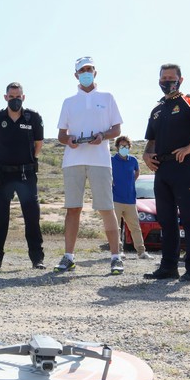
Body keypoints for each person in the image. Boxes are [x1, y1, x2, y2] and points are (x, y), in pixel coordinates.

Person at [141, 63, 190, 283]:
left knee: (189, 220)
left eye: (171, 78)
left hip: (184, 167)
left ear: (180, 80)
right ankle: (168, 267)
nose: (167, 82)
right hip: (162, 170)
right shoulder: (157, 110)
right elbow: (151, 141)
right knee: (166, 221)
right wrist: (146, 155)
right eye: (163, 78)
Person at [55, 56, 125, 275]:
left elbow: (117, 130)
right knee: (73, 209)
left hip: (100, 161)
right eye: (82, 70)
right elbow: (61, 135)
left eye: (89, 69)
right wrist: (69, 140)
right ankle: (68, 257)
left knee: (106, 208)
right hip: (73, 161)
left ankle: (116, 257)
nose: (86, 73)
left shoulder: (107, 97)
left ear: (95, 72)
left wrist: (102, 135)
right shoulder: (68, 102)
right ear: (76, 75)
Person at [0, 82, 46, 270]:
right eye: (11, 97)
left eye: (18, 97)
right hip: (3, 174)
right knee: (0, 219)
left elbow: (38, 144)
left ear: (23, 97)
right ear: (6, 97)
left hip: (26, 174)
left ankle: (37, 259)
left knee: (32, 217)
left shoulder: (33, 117)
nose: (15, 100)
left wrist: (26, 161)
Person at [111, 136, 152, 260]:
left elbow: (137, 172)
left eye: (126, 146)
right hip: (116, 199)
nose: (124, 148)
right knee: (115, 227)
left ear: (129, 147)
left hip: (130, 200)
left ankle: (141, 252)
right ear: (117, 147)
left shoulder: (133, 160)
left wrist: (130, 182)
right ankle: (118, 251)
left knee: (135, 227)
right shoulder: (111, 160)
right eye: (121, 146)